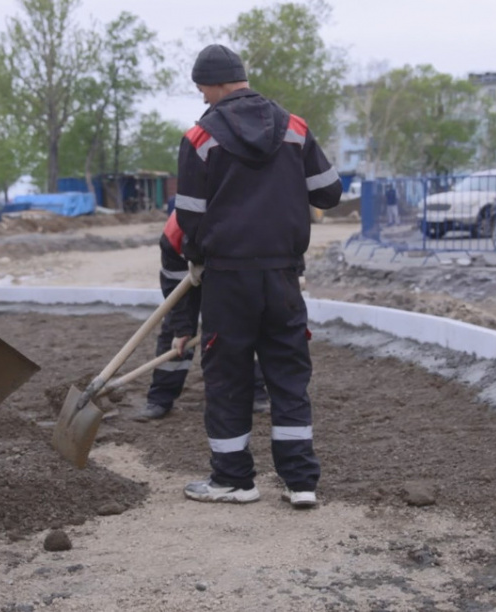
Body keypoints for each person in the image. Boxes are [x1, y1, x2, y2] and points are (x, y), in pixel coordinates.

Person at [175, 44, 342, 508]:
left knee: (228, 376)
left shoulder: (199, 138)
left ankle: (234, 480)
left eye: (202, 89)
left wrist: (198, 255)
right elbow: (329, 193)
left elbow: (189, 216)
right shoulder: (295, 127)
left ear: (213, 83)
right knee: (288, 374)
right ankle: (301, 482)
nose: (203, 98)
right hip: (284, 277)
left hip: (227, 279)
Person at [134, 212, 270, 421]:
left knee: (243, 326)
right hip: (188, 272)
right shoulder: (175, 234)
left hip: (232, 270)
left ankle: (255, 393)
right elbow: (173, 286)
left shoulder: (245, 225)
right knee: (174, 332)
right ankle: (160, 398)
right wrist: (182, 328)